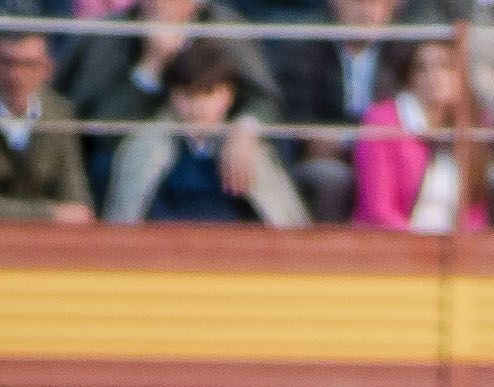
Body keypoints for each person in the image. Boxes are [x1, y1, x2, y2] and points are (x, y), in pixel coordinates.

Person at [61, 0, 280, 193]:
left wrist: (245, 128)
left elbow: (262, 97)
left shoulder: (223, 27)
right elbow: (99, 130)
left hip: (215, 155)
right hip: (135, 161)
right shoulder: (111, 34)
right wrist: (151, 68)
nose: (159, 4)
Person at [273, 0, 442, 224]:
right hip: (326, 154)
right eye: (359, 3)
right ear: (336, 4)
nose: (368, 13)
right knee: (331, 179)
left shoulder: (402, 53)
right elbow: (296, 115)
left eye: (377, 4)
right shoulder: (306, 46)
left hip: (387, 151)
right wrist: (312, 136)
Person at [106, 38, 307, 219]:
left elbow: (282, 219)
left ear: (228, 95)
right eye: (188, 95)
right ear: (172, 95)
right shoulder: (146, 144)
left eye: (208, 93)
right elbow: (128, 216)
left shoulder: (251, 149)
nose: (197, 107)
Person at [353, 31, 494, 227]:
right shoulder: (381, 121)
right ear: (410, 77)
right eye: (422, 68)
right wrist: (420, 247)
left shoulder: (475, 122)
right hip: (393, 243)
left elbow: (476, 210)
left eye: (445, 66)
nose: (434, 76)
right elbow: (378, 210)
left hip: (454, 249)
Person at [0, 29, 92, 220]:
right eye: (6, 62)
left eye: (28, 65)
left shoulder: (60, 112)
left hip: (40, 244)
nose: (15, 76)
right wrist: (48, 215)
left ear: (47, 69)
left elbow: (77, 201)